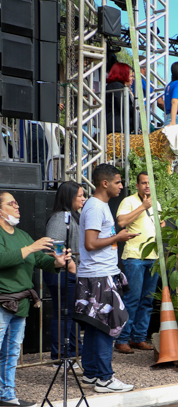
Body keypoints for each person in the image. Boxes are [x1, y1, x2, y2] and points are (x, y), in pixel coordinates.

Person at [0, 191, 73, 407]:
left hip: (20, 303)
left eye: (17, 203)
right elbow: (3, 259)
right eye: (11, 204)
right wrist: (31, 247)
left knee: (12, 352)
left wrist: (58, 262)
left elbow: (39, 259)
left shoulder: (22, 235)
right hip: (2, 302)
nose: (17, 207)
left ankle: (6, 394)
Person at [74, 164, 137, 393]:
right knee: (105, 326)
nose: (121, 186)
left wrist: (116, 237)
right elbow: (90, 245)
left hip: (100, 274)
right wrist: (117, 238)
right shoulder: (95, 208)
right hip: (98, 276)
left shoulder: (99, 206)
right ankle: (104, 379)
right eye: (118, 182)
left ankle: (91, 374)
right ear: (105, 183)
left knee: (94, 326)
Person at [114, 171, 160, 353]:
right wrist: (143, 207)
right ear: (137, 186)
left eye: (149, 183)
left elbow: (159, 224)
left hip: (153, 257)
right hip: (135, 256)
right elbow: (121, 222)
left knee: (148, 300)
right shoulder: (129, 201)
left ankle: (138, 337)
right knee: (132, 299)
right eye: (143, 183)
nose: (147, 186)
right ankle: (122, 338)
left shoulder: (156, 202)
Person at [44, 182, 85, 365]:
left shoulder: (73, 216)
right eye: (80, 195)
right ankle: (60, 356)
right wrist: (71, 267)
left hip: (67, 272)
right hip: (60, 272)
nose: (83, 199)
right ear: (69, 197)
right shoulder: (60, 217)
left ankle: (74, 352)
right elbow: (55, 245)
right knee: (63, 314)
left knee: (70, 313)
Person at [105, 62, 139, 135]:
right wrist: (136, 110)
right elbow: (124, 106)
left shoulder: (118, 86)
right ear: (123, 74)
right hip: (117, 128)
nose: (132, 79)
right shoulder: (116, 86)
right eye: (131, 76)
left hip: (120, 127)